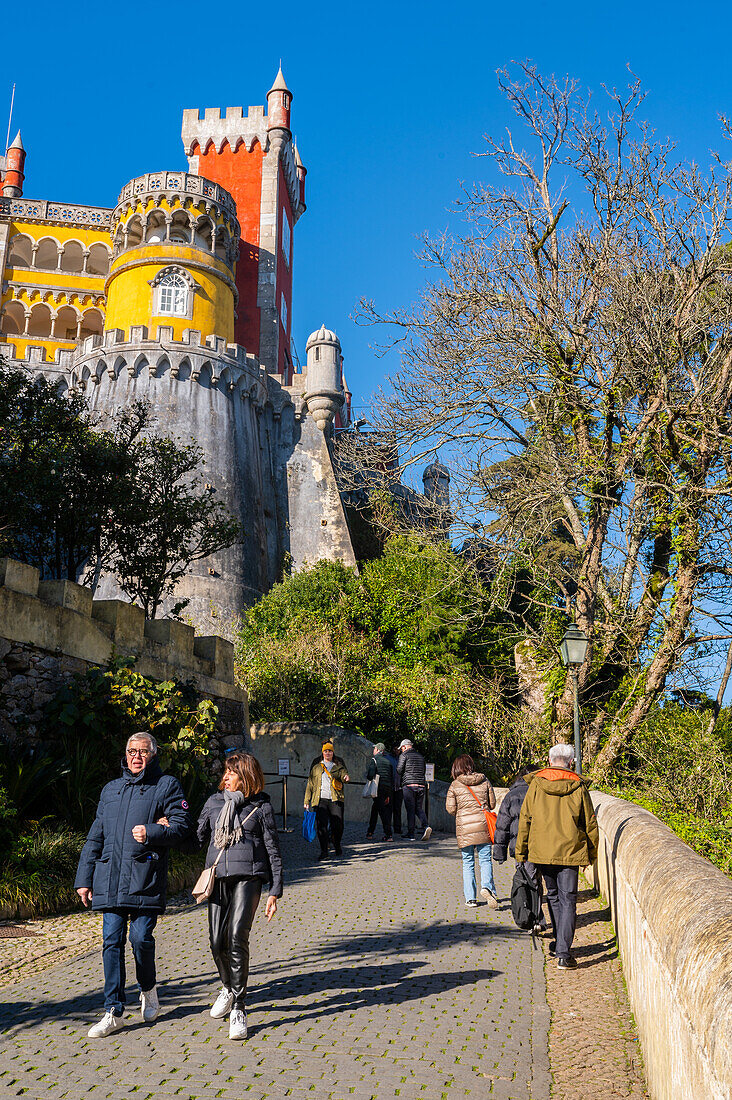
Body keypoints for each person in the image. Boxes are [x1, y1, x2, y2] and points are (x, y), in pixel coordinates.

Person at [74, 731, 191, 1038]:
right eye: (131, 751)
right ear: (124, 755)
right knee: (111, 942)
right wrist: (84, 879)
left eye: (143, 752)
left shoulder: (167, 785)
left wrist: (153, 831)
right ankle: (113, 1010)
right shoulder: (111, 789)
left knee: (140, 939)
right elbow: (95, 837)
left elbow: (181, 826)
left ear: (154, 755)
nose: (136, 756)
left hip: (144, 877)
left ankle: (148, 988)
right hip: (110, 879)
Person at [197, 752, 282, 1040]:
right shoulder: (213, 802)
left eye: (231, 773)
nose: (226, 777)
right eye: (225, 773)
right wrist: (165, 826)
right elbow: (195, 838)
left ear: (245, 775)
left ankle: (240, 1008)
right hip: (218, 878)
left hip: (249, 879)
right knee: (216, 942)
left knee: (236, 937)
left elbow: (272, 849)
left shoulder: (261, 807)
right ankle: (229, 987)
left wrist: (275, 890)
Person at [515, 743, 599, 970]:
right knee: (568, 899)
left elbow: (526, 819)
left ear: (550, 760)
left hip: (541, 851)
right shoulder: (578, 786)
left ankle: (560, 944)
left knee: (553, 895)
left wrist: (521, 852)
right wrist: (591, 854)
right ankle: (563, 950)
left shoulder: (536, 785)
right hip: (570, 851)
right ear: (570, 762)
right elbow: (589, 823)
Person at [492, 762, 549, 929]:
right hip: (543, 844)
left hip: (520, 846)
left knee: (527, 880)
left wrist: (499, 851)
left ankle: (532, 918)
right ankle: (536, 919)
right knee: (536, 881)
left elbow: (502, 824)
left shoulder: (512, 795)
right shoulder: (544, 792)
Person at [445, 754, 498, 908]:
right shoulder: (484, 780)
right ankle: (487, 887)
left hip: (464, 827)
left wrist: (462, 812)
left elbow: (450, 808)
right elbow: (492, 804)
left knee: (468, 862)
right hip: (483, 825)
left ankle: (470, 898)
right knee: (485, 860)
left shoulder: (455, 785)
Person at [304, 741, 350, 860]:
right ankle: (324, 851)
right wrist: (306, 800)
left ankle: (336, 843)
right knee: (321, 826)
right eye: (325, 751)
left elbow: (344, 774)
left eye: (330, 751)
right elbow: (310, 784)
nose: (327, 753)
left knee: (338, 825)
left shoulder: (338, 764)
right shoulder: (316, 766)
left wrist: (345, 777)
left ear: (333, 752)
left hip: (335, 799)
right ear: (322, 752)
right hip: (320, 800)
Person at [396, 738, 431, 841]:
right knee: (418, 808)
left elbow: (399, 770)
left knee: (410, 810)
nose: (401, 750)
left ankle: (411, 835)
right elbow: (424, 770)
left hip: (409, 786)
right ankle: (425, 826)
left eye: (401, 748)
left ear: (405, 747)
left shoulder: (404, 755)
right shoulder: (420, 756)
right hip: (421, 785)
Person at [365, 743, 393, 842]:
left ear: (377, 750)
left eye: (374, 749)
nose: (373, 750)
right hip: (387, 789)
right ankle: (370, 832)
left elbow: (370, 775)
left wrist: (368, 776)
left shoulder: (374, 760)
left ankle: (388, 834)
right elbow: (391, 778)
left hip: (378, 788)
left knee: (382, 812)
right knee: (375, 809)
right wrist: (389, 794)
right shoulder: (388, 762)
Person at [386, 746, 402, 834]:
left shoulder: (401, 759)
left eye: (398, 749)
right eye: (395, 749)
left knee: (398, 809)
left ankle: (397, 828)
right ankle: (388, 829)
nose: (397, 751)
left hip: (399, 788)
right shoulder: (388, 758)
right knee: (389, 809)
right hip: (390, 787)